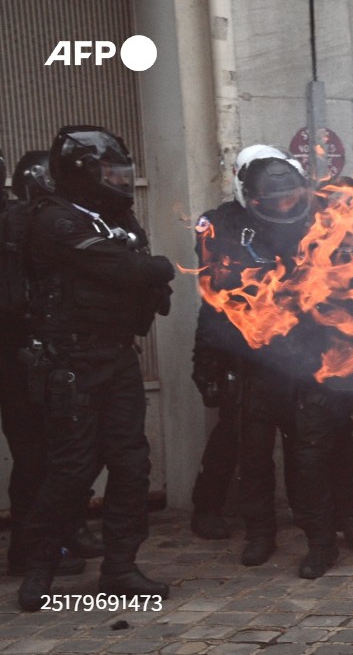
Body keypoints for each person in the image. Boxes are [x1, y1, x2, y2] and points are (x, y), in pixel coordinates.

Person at [16, 125, 175, 611]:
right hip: (71, 359)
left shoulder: (115, 216)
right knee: (71, 469)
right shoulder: (54, 219)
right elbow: (124, 269)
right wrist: (154, 270)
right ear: (82, 174)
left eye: (121, 173)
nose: (120, 182)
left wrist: (149, 277)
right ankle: (39, 565)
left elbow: (140, 274)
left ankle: (120, 567)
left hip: (116, 355)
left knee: (131, 464)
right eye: (110, 173)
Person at [192, 150, 353, 568]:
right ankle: (259, 532)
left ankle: (342, 516)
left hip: (308, 354)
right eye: (276, 201)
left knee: (328, 443)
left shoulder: (317, 220)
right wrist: (206, 365)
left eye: (291, 197)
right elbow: (215, 302)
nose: (285, 207)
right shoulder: (223, 226)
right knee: (252, 449)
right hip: (252, 357)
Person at [2, 151, 106, 578]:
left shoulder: (21, 220)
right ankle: (33, 548)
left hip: (27, 353)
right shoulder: (16, 222)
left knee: (51, 451)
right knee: (36, 455)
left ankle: (54, 535)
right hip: (15, 354)